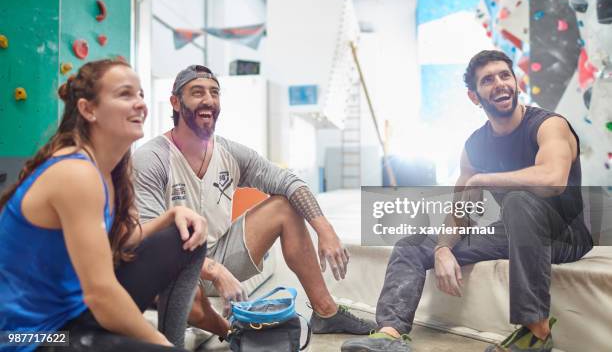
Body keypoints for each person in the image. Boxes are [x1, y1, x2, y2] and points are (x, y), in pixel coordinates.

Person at [341, 50, 593, 352]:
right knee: (412, 244)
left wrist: (483, 179)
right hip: (514, 229)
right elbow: (462, 209)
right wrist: (444, 247)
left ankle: (536, 334)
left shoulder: (549, 125)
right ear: (474, 97)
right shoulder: (475, 146)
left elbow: (553, 180)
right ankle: (390, 334)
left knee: (516, 201)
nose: (499, 83)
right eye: (488, 80)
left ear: (516, 82)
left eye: (505, 75)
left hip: (566, 233)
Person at [132, 64, 375, 338]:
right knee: (178, 287)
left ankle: (326, 312)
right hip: (175, 264)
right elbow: (149, 243)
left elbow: (288, 181)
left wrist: (325, 230)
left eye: (214, 93)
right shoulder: (152, 158)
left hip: (221, 251)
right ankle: (230, 331)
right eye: (197, 92)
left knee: (284, 205)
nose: (208, 100)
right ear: (175, 102)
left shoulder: (228, 152)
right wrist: (216, 272)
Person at [0, 59, 207, 351]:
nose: (140, 105)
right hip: (31, 336)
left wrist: (171, 215)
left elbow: (120, 241)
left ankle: (170, 340)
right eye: (125, 94)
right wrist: (157, 343)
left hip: (74, 313)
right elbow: (100, 293)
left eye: (141, 95)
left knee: (184, 237)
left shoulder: (109, 171)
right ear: (88, 109)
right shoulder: (76, 173)